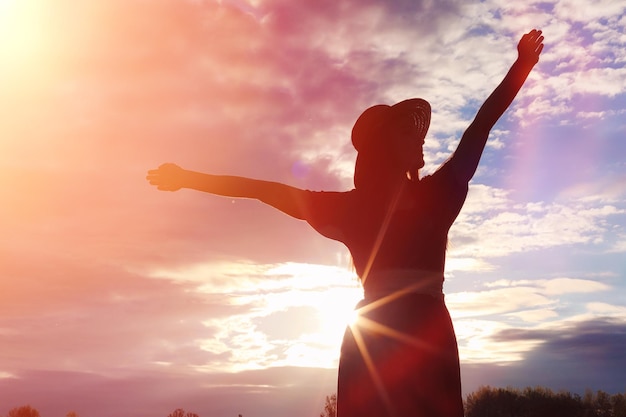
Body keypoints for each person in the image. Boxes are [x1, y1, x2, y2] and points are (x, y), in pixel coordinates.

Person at [147, 29, 544, 417]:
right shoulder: (360, 208)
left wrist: (522, 66)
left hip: (419, 337)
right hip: (379, 341)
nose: (422, 139)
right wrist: (188, 178)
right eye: (410, 133)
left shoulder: (435, 197)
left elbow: (481, 127)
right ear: (386, 147)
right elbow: (265, 190)